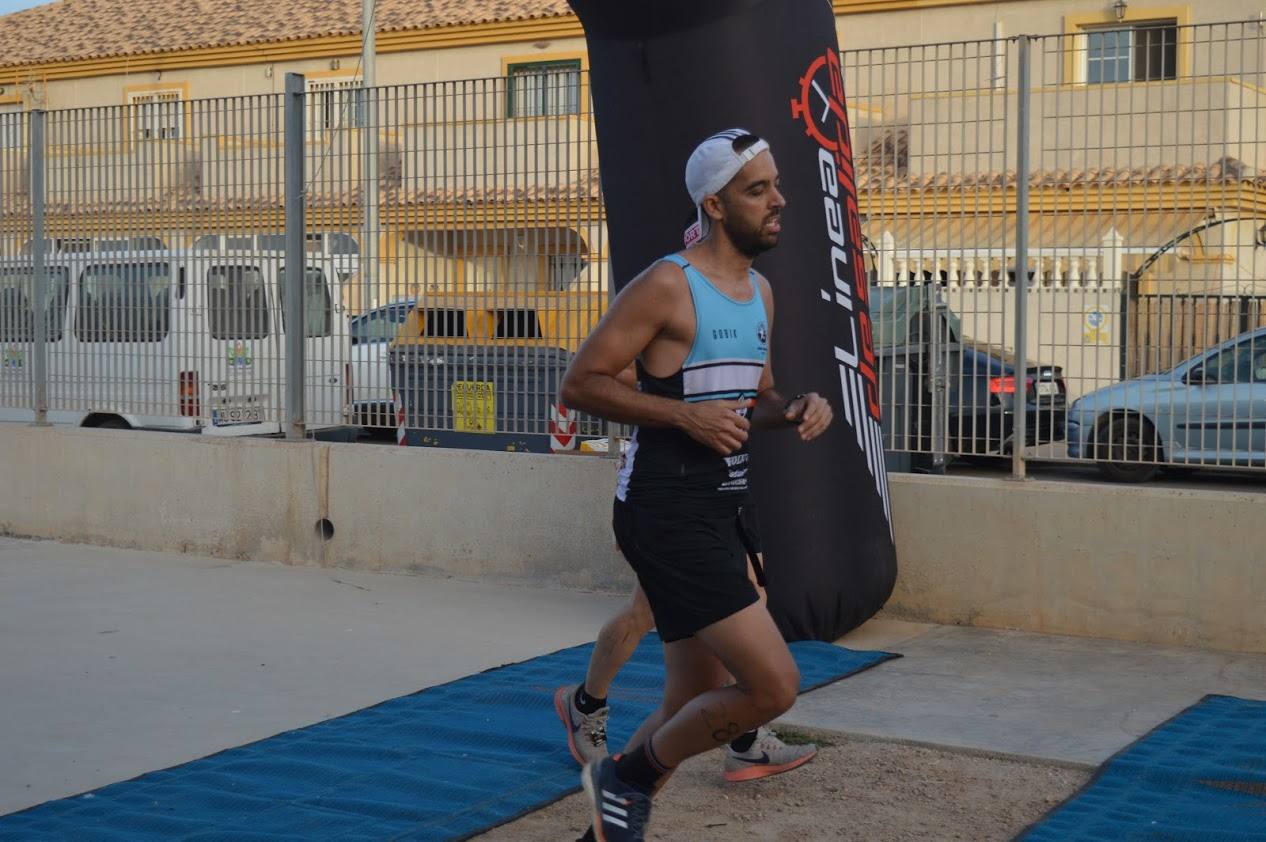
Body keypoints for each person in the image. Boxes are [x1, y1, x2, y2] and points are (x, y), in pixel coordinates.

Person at [558, 128, 834, 842]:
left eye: (775, 185)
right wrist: (685, 415)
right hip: (664, 509)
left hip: (722, 508)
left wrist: (796, 409)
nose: (780, 200)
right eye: (758, 190)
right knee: (773, 686)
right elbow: (580, 384)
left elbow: (757, 398)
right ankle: (627, 780)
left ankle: (603, 830)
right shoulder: (667, 284)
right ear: (714, 204)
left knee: (691, 694)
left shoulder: (761, 293)